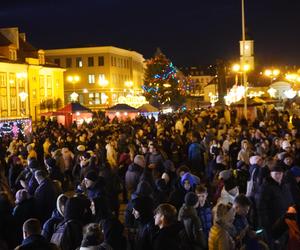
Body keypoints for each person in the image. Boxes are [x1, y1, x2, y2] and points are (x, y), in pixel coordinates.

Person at [258, 165, 294, 248]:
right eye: (276, 174)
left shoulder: (285, 186)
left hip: (286, 222)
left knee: (285, 244)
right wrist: (266, 225)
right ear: (271, 174)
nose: (278, 176)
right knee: (276, 245)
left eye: (280, 173)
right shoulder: (266, 187)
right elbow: (261, 208)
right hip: (274, 223)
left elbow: (290, 202)